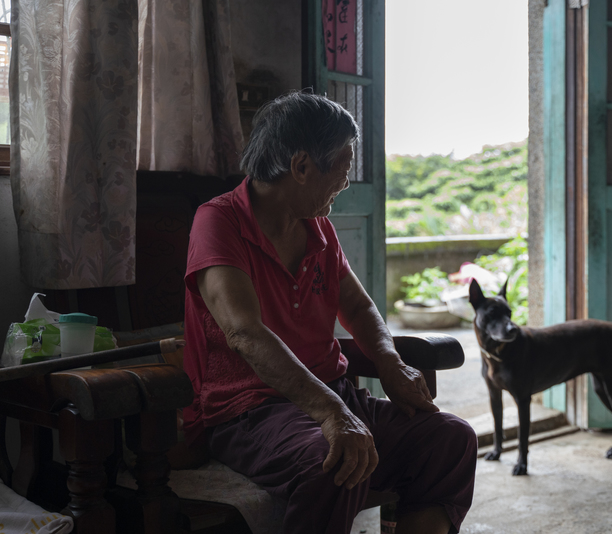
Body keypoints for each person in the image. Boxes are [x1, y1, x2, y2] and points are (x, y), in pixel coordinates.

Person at [182, 91, 477, 534]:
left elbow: (357, 305)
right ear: (301, 167)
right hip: (251, 411)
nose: (344, 185)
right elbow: (244, 333)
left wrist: (390, 363)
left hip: (336, 394)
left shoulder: (316, 225)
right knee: (336, 461)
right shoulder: (219, 222)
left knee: (450, 440)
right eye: (340, 171)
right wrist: (333, 414)